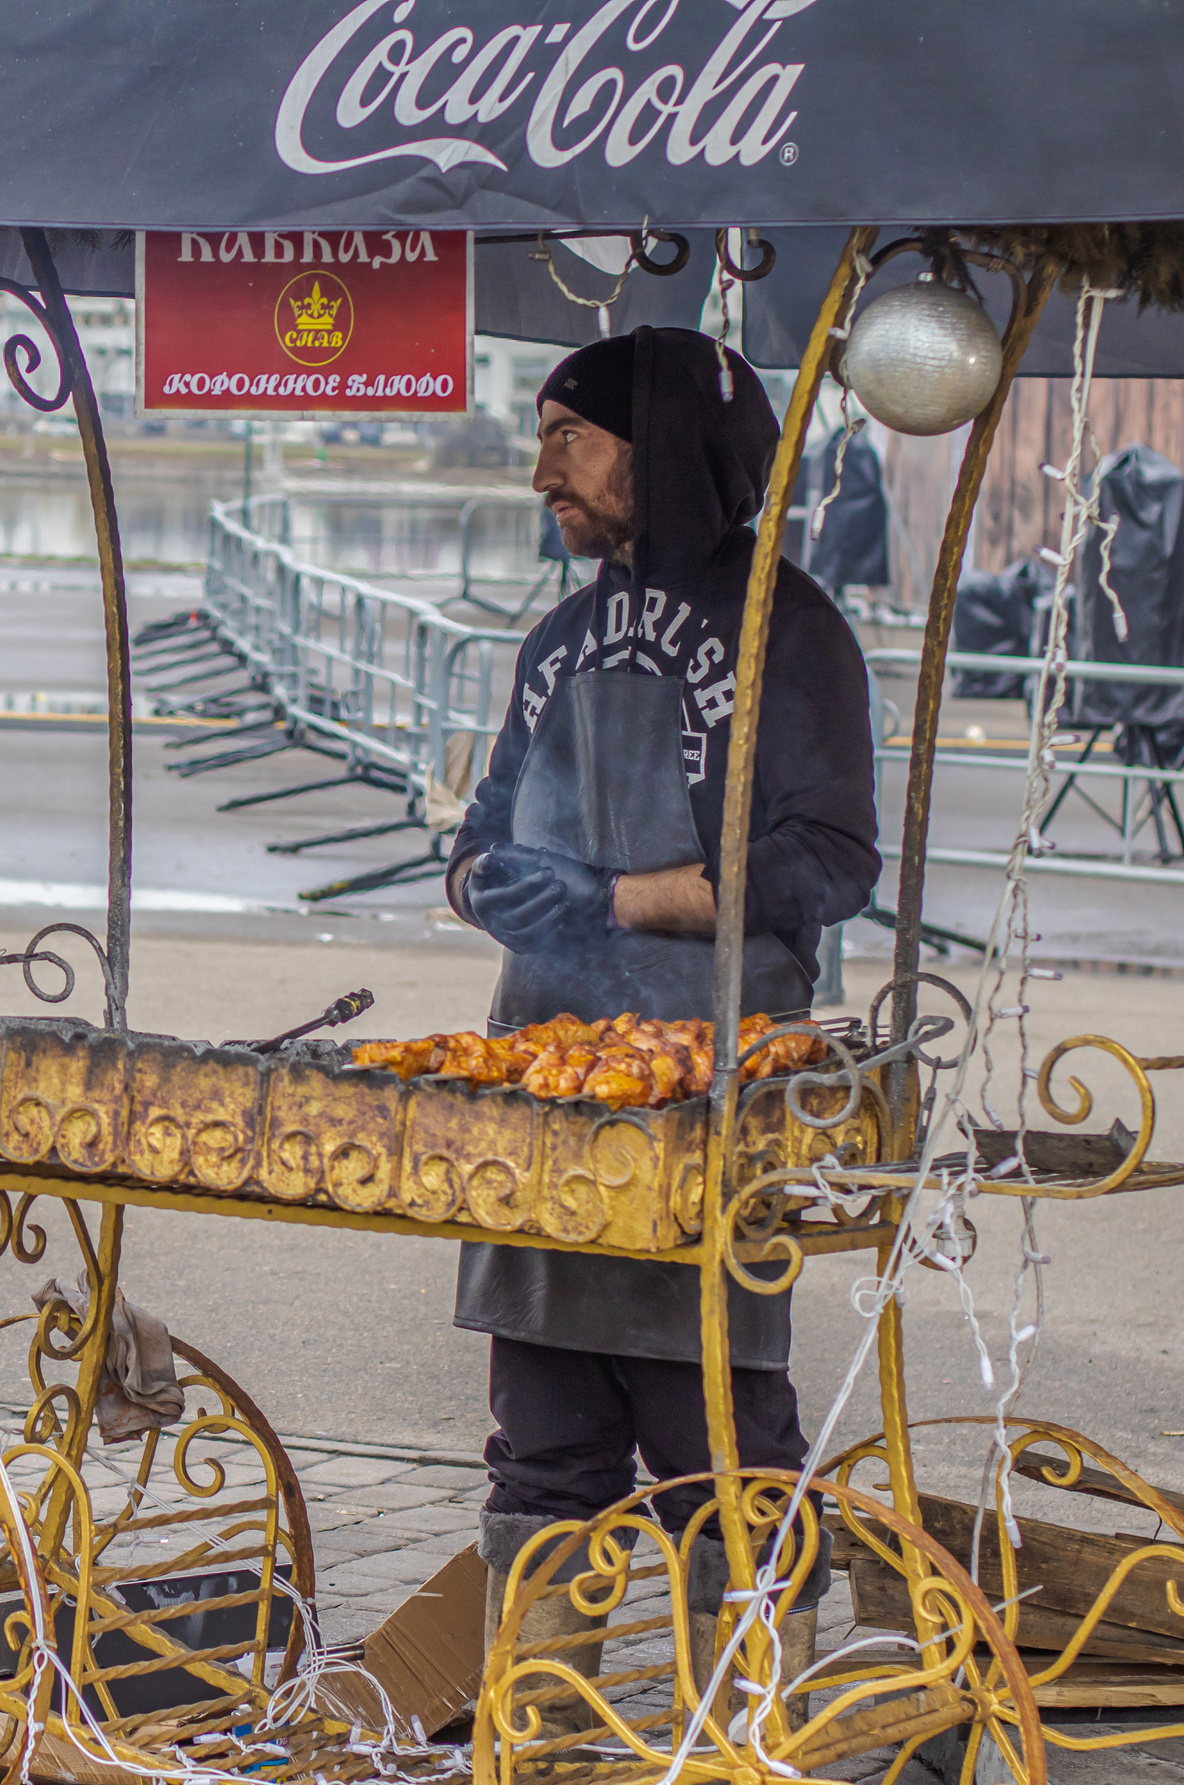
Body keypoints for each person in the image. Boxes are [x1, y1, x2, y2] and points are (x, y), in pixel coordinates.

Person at [445, 328, 878, 1720]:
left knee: (724, 1458)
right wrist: (504, 889)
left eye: (569, 436)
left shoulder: (790, 629)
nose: (541, 472)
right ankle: (541, 1741)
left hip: (714, 1100)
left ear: (660, 446)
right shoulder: (556, 638)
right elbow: (476, 851)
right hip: (547, 1102)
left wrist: (625, 900)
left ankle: (748, 1738)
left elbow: (827, 862)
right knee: (544, 1452)